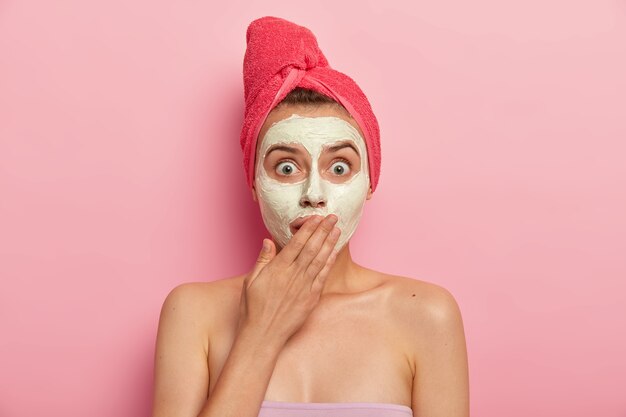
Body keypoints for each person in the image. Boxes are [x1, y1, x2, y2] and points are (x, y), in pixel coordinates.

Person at [151, 17, 469, 417]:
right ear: (252, 182)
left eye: (339, 168)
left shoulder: (426, 315)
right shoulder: (193, 314)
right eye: (286, 167)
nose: (314, 196)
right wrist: (261, 333)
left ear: (370, 182)